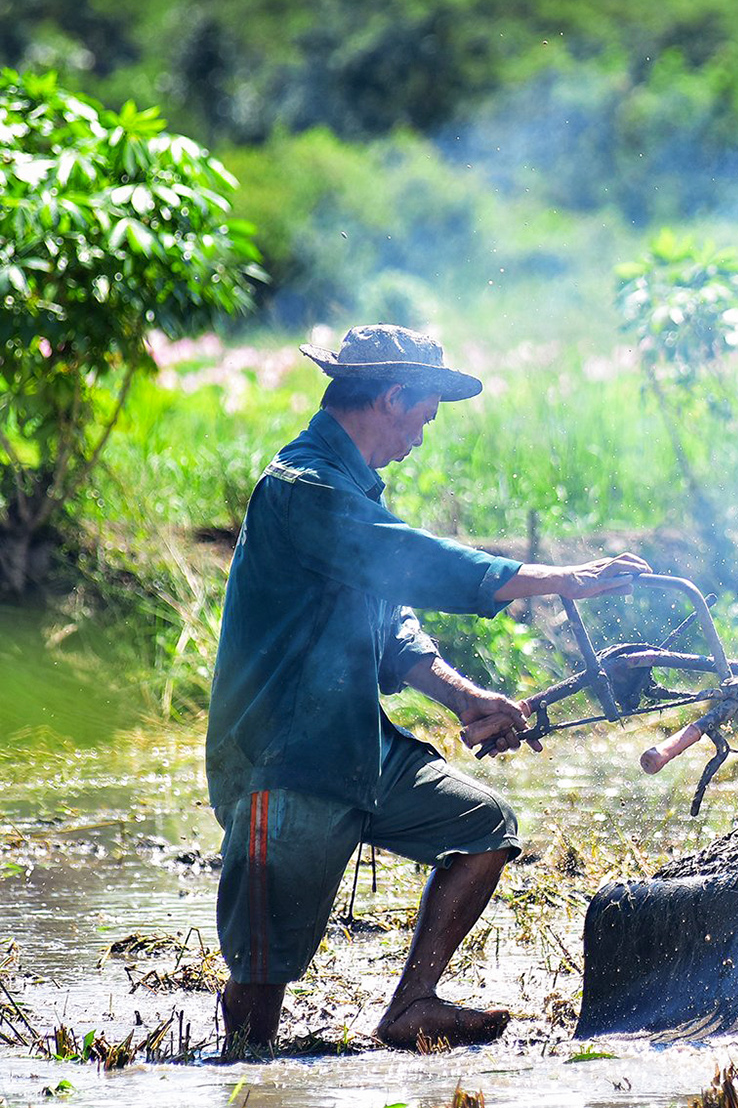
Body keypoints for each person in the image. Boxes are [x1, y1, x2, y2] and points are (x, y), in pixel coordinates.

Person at [205, 324, 650, 1052]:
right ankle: (249, 1088)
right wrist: (561, 579)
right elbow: (410, 558)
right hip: (283, 761)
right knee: (263, 978)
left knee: (485, 827)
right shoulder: (303, 489)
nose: (422, 435)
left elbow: (392, 626)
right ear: (392, 396)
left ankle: (412, 1001)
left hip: (356, 746)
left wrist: (463, 696)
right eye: (424, 415)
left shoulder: (352, 490)